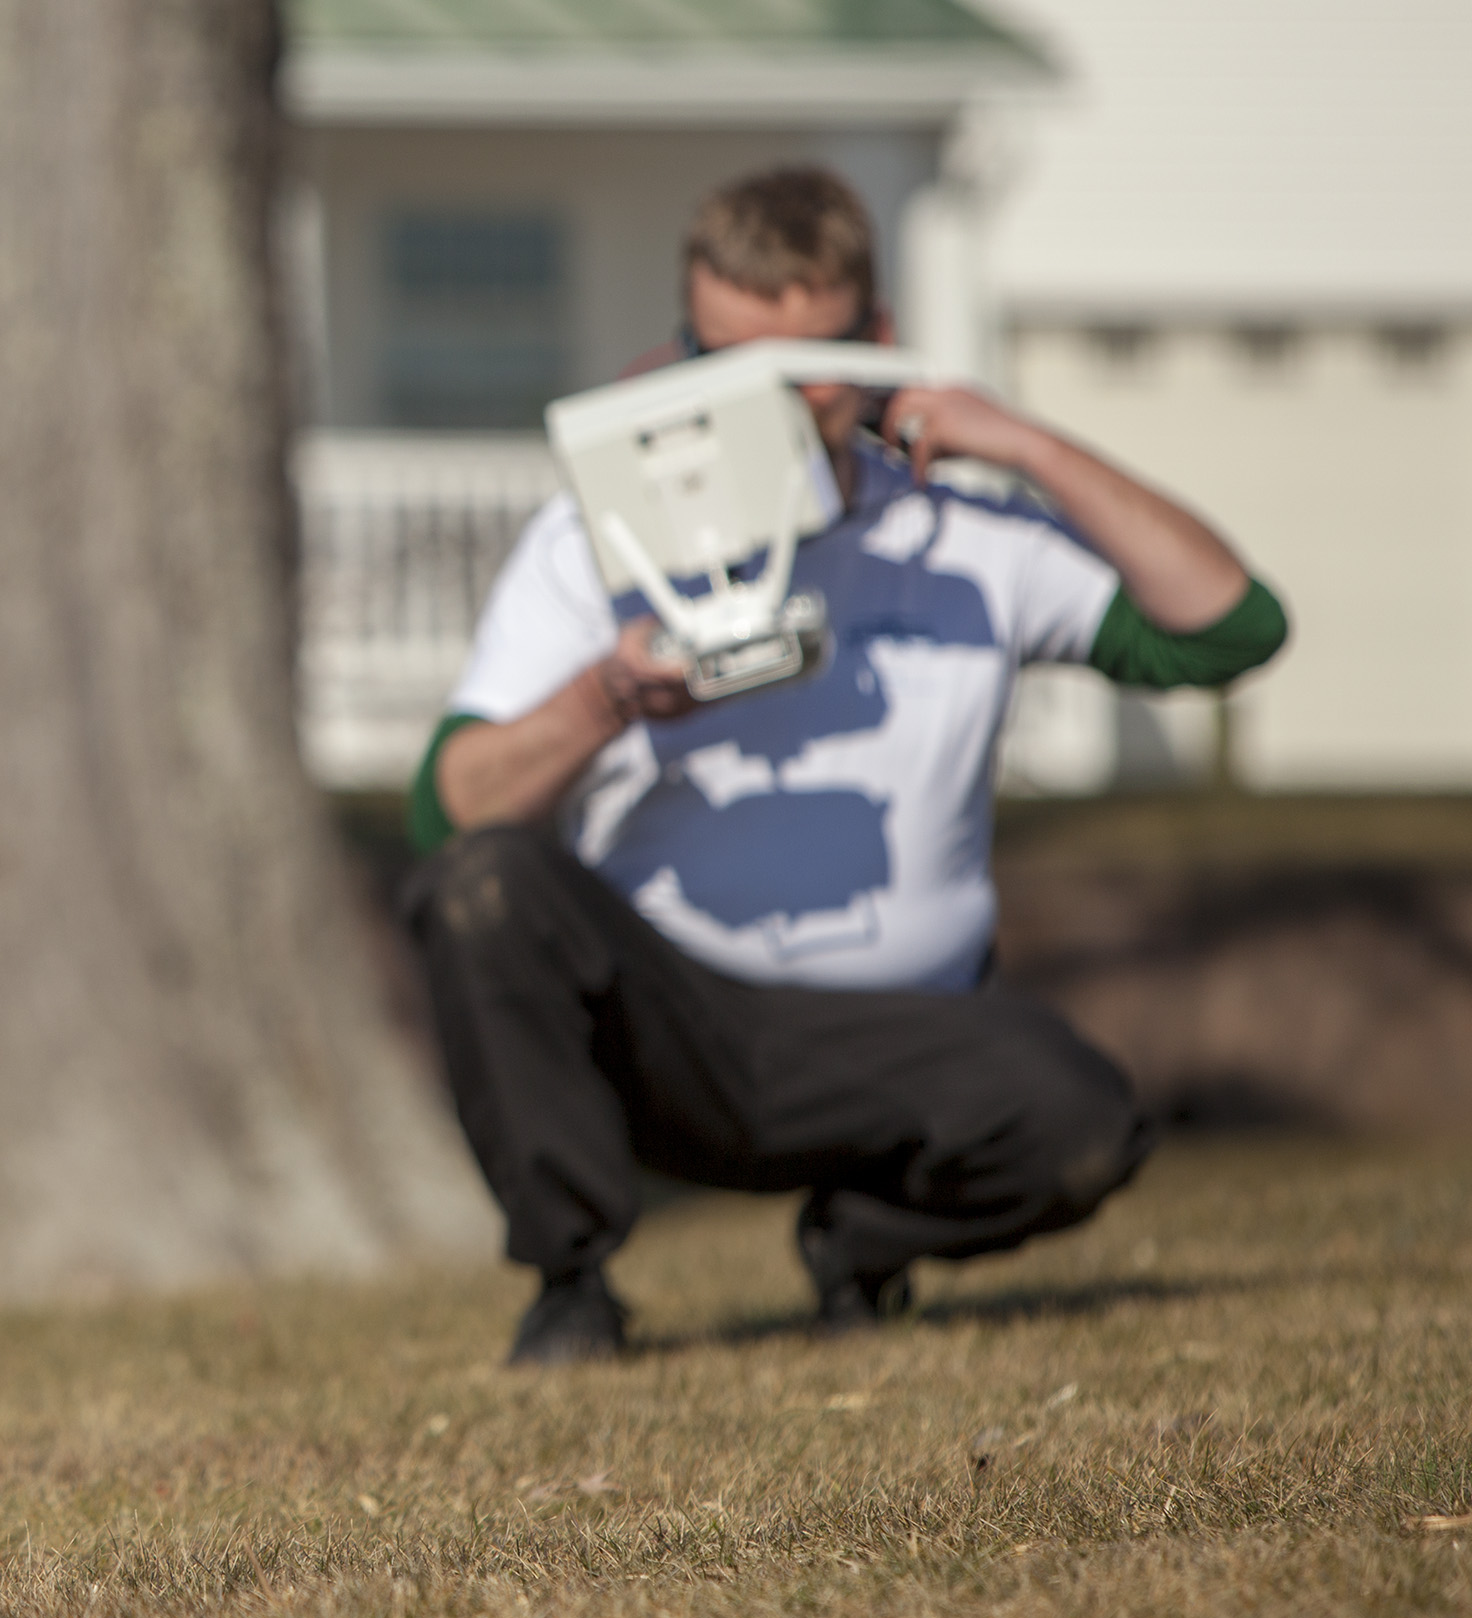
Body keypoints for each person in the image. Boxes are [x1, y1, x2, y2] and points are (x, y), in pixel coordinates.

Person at [403, 165, 1287, 1365]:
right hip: (680, 1031)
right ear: (683, 345)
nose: (761, 403)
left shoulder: (961, 537)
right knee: (483, 891)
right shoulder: (595, 540)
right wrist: (611, 695)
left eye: (805, 367)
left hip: (898, 1034)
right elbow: (448, 809)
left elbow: (1228, 629)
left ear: (878, 348)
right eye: (725, 360)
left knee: (1078, 1110)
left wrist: (1020, 441)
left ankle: (863, 1240)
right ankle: (571, 1284)